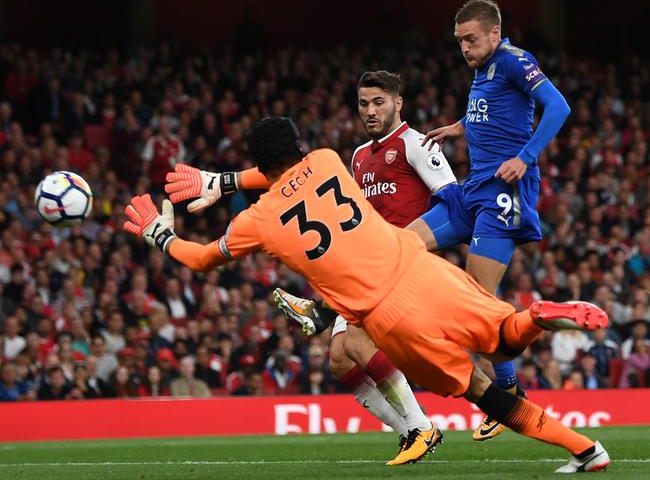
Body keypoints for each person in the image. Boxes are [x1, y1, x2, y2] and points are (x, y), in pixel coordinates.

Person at [124, 116, 610, 472]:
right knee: (505, 335)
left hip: (391, 316)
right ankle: (540, 319)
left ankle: (582, 449)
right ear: (299, 146)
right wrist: (225, 179)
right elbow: (281, 173)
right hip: (425, 269)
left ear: (259, 163)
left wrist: (160, 233)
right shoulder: (328, 161)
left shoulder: (255, 222)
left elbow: (202, 257)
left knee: (484, 393)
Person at [163, 70, 455, 451]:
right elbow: (292, 174)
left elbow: (453, 204)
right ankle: (408, 433)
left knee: (357, 343)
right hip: (365, 267)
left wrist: (207, 196)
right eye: (363, 103)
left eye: (378, 102)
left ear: (399, 103)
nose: (369, 110)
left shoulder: (417, 144)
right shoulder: (350, 157)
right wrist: (223, 182)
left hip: (403, 265)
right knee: (339, 360)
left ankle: (422, 428)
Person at [409, 0, 571, 440]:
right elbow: (492, 112)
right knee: (400, 246)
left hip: (505, 191)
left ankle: (508, 392)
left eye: (471, 39)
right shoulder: (484, 71)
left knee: (478, 302)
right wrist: (458, 127)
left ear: (495, 34)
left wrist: (525, 156)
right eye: (459, 40)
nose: (463, 47)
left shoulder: (516, 61)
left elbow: (558, 107)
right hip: (473, 187)